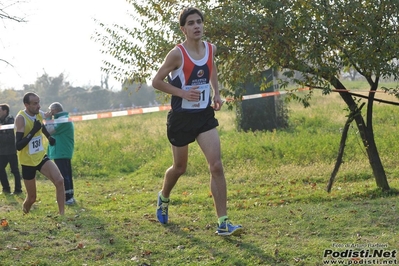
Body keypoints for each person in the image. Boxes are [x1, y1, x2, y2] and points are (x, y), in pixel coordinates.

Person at [152, 7, 243, 236]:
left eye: (199, 22)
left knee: (216, 165)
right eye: (191, 23)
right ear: (183, 29)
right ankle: (164, 197)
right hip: (181, 118)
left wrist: (217, 93)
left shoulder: (210, 49)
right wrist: (182, 93)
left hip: (203, 116)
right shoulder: (177, 54)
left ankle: (223, 222)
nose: (196, 26)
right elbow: (156, 81)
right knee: (179, 168)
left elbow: (211, 69)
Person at [14, 92, 65, 215]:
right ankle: (25, 212)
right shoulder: (20, 119)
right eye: (35, 103)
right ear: (26, 105)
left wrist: (49, 137)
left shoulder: (38, 114)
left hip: (41, 156)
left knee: (59, 181)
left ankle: (62, 214)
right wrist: (32, 131)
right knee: (32, 198)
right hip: (27, 161)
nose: (38, 106)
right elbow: (18, 146)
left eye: (39, 102)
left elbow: (41, 126)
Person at [44, 102, 75, 205]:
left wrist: (48, 119)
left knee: (63, 175)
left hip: (61, 151)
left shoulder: (62, 120)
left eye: (50, 110)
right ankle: (69, 196)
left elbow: (49, 130)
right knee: (66, 174)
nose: (49, 112)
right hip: (62, 150)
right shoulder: (61, 118)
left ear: (54, 110)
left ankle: (67, 198)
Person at [0, 104, 22, 194]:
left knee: (15, 170)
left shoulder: (10, 121)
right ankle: (6, 188)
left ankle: (18, 189)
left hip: (11, 150)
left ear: (5, 111)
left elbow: (10, 138)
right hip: (1, 151)